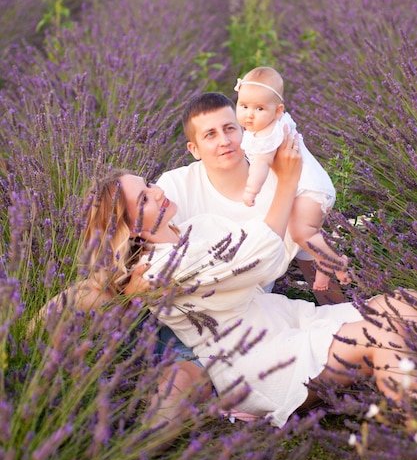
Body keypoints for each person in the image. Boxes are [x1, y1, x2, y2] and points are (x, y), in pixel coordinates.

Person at [82, 137, 417, 430]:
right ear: (133, 229)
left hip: (287, 323)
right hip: (260, 364)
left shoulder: (198, 227)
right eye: (143, 199)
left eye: (149, 185)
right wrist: (286, 182)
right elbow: (260, 258)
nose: (157, 192)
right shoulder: (160, 269)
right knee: (385, 336)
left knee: (404, 302)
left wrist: (315, 233)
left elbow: (273, 240)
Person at [157, 91, 345, 303]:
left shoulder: (282, 179)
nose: (224, 141)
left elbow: (314, 267)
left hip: (262, 312)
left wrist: (346, 315)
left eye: (230, 129)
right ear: (194, 149)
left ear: (244, 131)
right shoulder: (174, 188)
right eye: (210, 134)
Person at [234, 66, 349, 291]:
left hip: (310, 190)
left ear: (278, 111)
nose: (249, 114)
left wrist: (250, 190)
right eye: (243, 106)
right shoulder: (267, 126)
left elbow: (261, 163)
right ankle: (323, 269)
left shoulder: (269, 132)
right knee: (305, 235)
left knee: (302, 233)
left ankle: (336, 261)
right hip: (307, 188)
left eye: (259, 108)